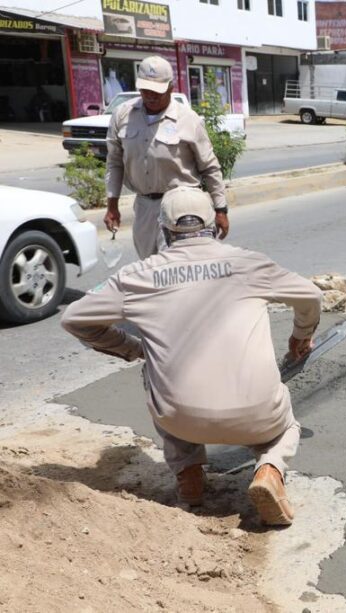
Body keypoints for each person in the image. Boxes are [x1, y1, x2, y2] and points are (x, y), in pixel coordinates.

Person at [62, 187, 322, 526]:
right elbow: (310, 295)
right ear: (214, 225)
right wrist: (300, 337)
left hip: (178, 417)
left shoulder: (136, 276)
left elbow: (74, 319)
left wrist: (133, 348)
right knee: (286, 427)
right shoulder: (249, 263)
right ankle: (270, 470)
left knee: (155, 374)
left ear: (164, 230)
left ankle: (190, 479)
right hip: (258, 415)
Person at [105, 55, 229, 260]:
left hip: (183, 207)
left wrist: (220, 209)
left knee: (180, 270)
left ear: (171, 87)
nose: (150, 95)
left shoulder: (188, 119)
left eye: (156, 91)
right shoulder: (122, 115)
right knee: (150, 269)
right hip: (145, 207)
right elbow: (115, 162)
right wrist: (112, 206)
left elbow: (210, 167)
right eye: (145, 90)